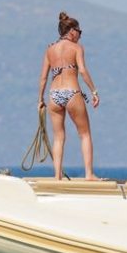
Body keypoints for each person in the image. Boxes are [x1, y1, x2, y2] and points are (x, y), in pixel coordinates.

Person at [38, 12, 101, 180]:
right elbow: (82, 71)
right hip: (72, 92)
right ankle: (89, 174)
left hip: (54, 94)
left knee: (58, 137)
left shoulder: (50, 49)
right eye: (79, 31)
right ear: (72, 31)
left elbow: (43, 78)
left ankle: (57, 175)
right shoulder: (76, 48)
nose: (80, 35)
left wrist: (40, 100)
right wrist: (94, 91)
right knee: (85, 134)